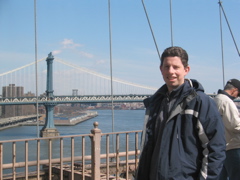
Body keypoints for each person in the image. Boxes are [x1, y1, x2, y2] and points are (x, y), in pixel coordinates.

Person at [135, 46, 226, 180]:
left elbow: (215, 149)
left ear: (186, 70)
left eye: (176, 67)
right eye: (167, 66)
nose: (171, 71)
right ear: (161, 69)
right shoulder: (155, 103)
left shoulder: (200, 102)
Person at [214, 79, 240, 180]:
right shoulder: (227, 102)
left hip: (222, 146)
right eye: (238, 94)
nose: (237, 97)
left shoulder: (216, 99)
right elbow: (235, 126)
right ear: (234, 90)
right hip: (233, 146)